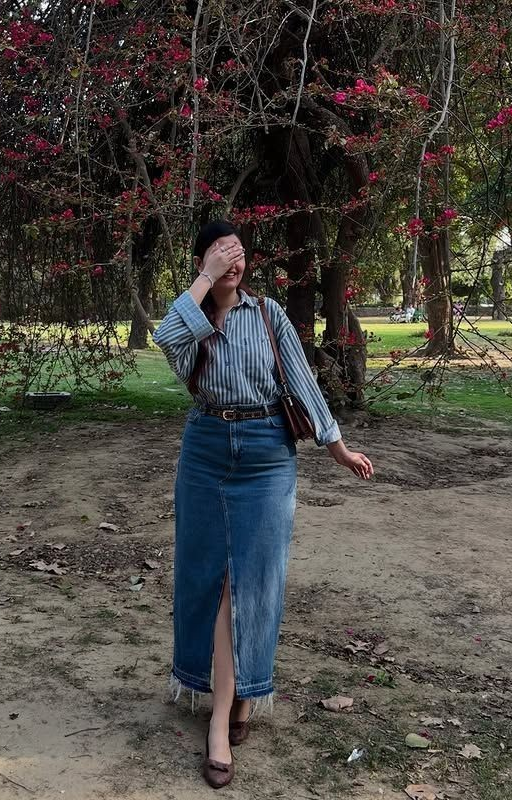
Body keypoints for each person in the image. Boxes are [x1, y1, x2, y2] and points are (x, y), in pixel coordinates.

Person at [152, 220, 373, 789]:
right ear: (201, 261)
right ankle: (233, 698)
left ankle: (224, 715)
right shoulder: (191, 320)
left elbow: (303, 383)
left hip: (267, 456)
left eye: (239, 252)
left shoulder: (269, 314)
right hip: (205, 452)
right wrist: (205, 280)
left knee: (253, 581)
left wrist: (338, 448)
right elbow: (166, 337)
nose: (233, 260)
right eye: (220, 252)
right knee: (207, 577)